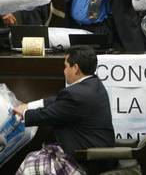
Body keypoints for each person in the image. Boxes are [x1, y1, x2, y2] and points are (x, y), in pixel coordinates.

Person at [14, 45, 115, 174]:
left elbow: (48, 115)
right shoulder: (94, 84)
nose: (64, 71)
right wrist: (29, 105)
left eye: (65, 66)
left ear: (75, 68)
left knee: (29, 165)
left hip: (87, 161)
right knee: (32, 158)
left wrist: (23, 113)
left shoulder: (76, 94)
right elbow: (58, 102)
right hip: (95, 154)